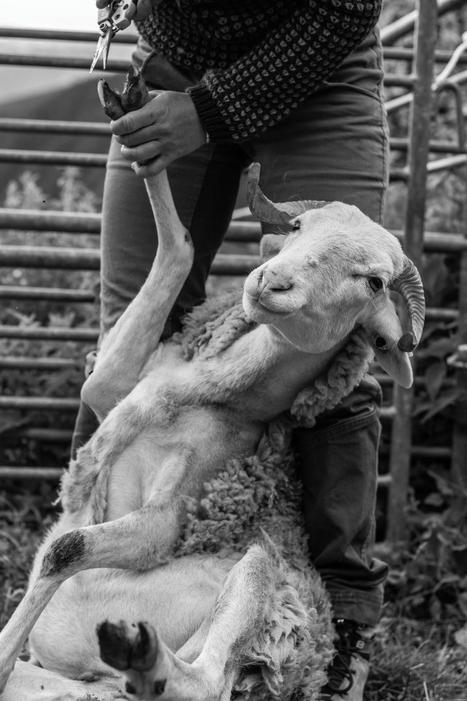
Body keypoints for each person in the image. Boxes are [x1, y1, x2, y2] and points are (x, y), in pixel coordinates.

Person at [73, 1, 389, 698]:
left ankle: (342, 621)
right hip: (174, 71)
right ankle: (82, 572)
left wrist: (210, 110)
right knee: (129, 338)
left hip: (318, 73)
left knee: (331, 338)